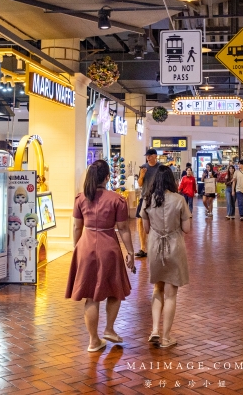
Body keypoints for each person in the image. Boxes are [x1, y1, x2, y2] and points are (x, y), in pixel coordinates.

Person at [66, 160, 135, 352]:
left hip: (86, 246)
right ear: (107, 177)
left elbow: (76, 227)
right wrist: (130, 252)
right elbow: (123, 229)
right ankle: (109, 329)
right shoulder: (117, 200)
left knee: (91, 296)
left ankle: (93, 341)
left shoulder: (80, 199)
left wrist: (76, 247)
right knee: (115, 289)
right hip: (109, 247)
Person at [140, 167, 191, 348]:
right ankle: (166, 337)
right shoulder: (179, 200)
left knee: (157, 289)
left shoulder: (147, 200)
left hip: (154, 246)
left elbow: (145, 230)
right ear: (172, 180)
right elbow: (186, 229)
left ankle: (154, 330)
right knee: (171, 294)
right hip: (174, 246)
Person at [136, 148, 161, 258]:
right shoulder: (144, 167)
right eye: (147, 156)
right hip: (144, 197)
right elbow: (140, 184)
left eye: (150, 155)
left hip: (157, 198)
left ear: (155, 156)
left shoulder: (160, 168)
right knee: (140, 221)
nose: (148, 157)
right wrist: (141, 175)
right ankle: (143, 248)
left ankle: (157, 246)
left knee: (156, 222)